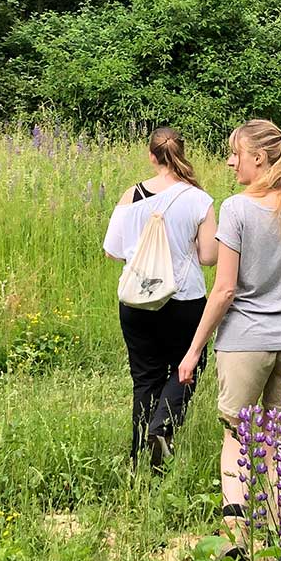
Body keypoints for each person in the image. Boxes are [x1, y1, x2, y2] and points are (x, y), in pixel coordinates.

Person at [177, 120, 281, 561]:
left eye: (234, 153)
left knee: (237, 437)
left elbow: (224, 291)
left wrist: (193, 350)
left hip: (245, 342)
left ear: (258, 159)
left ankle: (235, 543)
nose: (230, 161)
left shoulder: (237, 210)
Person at [103, 126, 217, 473]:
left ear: (152, 157)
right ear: (182, 153)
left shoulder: (131, 196)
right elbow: (210, 255)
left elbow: (112, 251)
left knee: (145, 377)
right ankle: (162, 427)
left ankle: (141, 461)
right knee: (190, 365)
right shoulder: (199, 199)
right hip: (185, 300)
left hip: (137, 302)